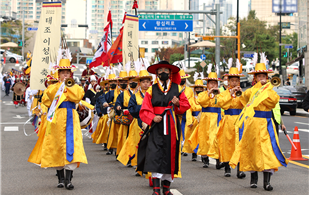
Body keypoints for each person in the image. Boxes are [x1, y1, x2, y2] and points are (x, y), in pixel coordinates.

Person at [230, 52, 288, 191]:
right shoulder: (251, 90)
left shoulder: (271, 91)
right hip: (253, 123)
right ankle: (253, 179)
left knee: (268, 151)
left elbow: (273, 102)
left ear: (267, 78)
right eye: (259, 76)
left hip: (267, 123)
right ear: (255, 78)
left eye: (264, 76)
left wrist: (264, 90)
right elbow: (244, 100)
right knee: (252, 151)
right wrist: (250, 90)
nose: (261, 78)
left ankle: (267, 182)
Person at [137, 61, 190, 195]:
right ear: (156, 73)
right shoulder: (151, 89)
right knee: (155, 153)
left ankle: (166, 188)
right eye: (160, 70)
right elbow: (144, 109)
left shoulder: (177, 88)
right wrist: (152, 117)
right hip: (156, 125)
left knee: (169, 153)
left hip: (171, 125)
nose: (163, 72)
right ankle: (156, 189)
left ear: (170, 73)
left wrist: (178, 104)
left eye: (166, 70)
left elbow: (185, 105)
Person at [117, 66, 152, 171]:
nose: (145, 84)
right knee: (136, 144)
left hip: (151, 123)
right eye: (143, 82)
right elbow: (132, 109)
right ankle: (138, 165)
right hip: (137, 123)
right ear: (139, 83)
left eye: (147, 82)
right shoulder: (135, 96)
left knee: (150, 144)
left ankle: (149, 165)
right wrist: (144, 108)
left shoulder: (153, 95)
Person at [215, 59, 245, 178]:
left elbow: (246, 104)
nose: (234, 82)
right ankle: (227, 167)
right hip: (227, 120)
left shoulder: (242, 92)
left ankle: (240, 169)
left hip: (239, 120)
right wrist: (230, 93)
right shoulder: (223, 93)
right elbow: (222, 104)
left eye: (236, 80)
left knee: (239, 144)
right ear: (228, 81)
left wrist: (241, 94)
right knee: (227, 144)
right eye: (232, 80)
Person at [188, 67, 222, 168]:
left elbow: (223, 103)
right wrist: (208, 93)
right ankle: (205, 158)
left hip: (216, 118)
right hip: (205, 118)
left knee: (215, 138)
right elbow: (202, 102)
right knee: (204, 138)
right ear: (207, 84)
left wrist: (218, 94)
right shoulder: (203, 94)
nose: (213, 85)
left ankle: (217, 159)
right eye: (211, 83)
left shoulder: (220, 94)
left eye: (215, 83)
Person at [182, 71, 205, 162]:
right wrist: (190, 121)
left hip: (202, 120)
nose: (199, 89)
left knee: (202, 138)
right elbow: (188, 110)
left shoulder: (206, 98)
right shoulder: (191, 100)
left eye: (200, 88)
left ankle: (204, 157)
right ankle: (194, 154)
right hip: (193, 119)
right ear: (195, 89)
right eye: (197, 88)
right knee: (193, 138)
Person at [177, 64, 194, 157]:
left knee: (186, 131)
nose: (183, 81)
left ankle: (185, 147)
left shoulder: (190, 91)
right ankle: (179, 147)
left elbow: (191, 102)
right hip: (178, 112)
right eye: (181, 79)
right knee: (178, 131)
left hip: (187, 113)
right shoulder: (176, 89)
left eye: (184, 79)